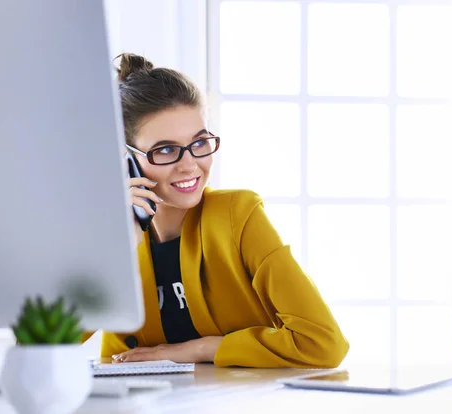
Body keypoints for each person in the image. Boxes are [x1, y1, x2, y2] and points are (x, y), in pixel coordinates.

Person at [84, 53, 349, 368]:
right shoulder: (112, 238)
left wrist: (202, 349)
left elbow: (324, 343)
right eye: (165, 150)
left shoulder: (238, 216)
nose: (190, 165)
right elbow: (40, 345)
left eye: (199, 143)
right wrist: (119, 249)